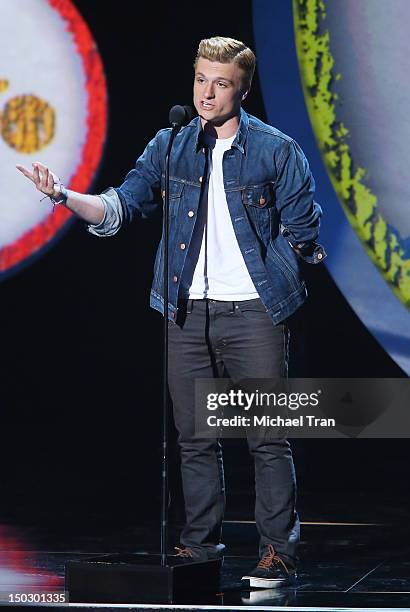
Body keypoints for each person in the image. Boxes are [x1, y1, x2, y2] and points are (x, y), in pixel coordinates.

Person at [16, 36, 325, 588]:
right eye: (201, 79)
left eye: (221, 83)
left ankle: (279, 551)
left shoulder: (277, 150)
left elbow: (304, 227)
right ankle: (199, 546)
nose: (207, 93)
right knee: (194, 436)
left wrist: (295, 260)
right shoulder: (172, 145)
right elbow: (120, 205)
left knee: (266, 436)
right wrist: (63, 194)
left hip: (254, 310)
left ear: (243, 89)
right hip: (187, 312)